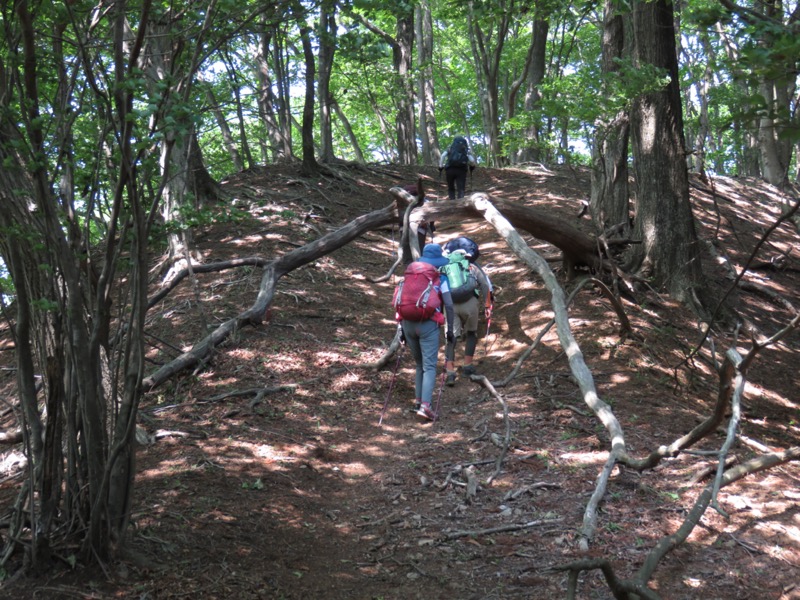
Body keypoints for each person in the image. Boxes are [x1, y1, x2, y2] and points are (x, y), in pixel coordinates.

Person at [398, 244, 455, 420]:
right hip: (428, 326)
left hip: (408, 324)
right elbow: (449, 305)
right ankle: (426, 406)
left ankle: (418, 401)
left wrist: (400, 327)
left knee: (419, 364)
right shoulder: (441, 278)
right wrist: (450, 329)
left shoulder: (409, 276)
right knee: (430, 366)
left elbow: (401, 300)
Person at [443, 250, 493, 386]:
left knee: (451, 337)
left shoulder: (444, 269)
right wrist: (487, 305)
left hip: (450, 306)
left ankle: (450, 372)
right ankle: (467, 366)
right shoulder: (472, 268)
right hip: (470, 304)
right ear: (465, 257)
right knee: (471, 333)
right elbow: (484, 285)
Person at [402, 184, 436, 260]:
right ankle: (416, 267)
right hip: (419, 230)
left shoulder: (402, 201)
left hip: (405, 229)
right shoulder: (425, 202)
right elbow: (431, 215)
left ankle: (409, 267)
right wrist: (431, 226)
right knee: (418, 251)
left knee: (407, 254)